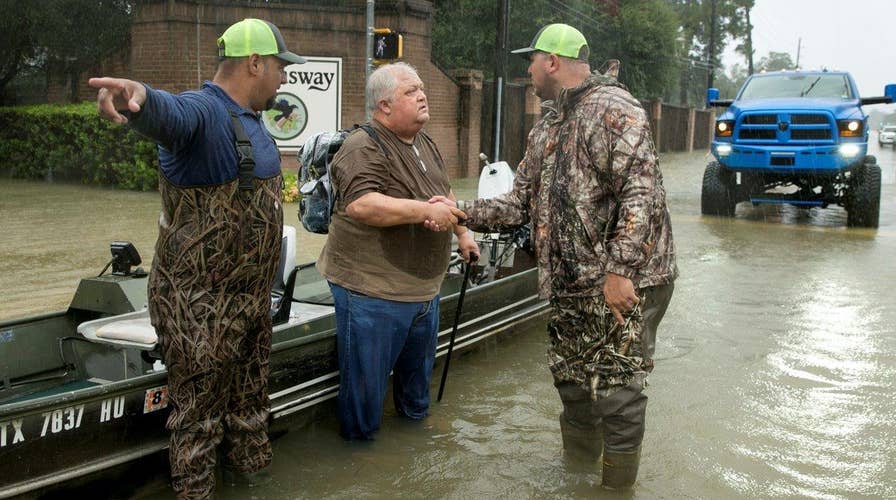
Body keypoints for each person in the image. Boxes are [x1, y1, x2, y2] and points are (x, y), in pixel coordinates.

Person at [429, 24, 677, 489]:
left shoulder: (617, 110)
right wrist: (459, 210)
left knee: (618, 391)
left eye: (532, 60)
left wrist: (620, 271)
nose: (528, 69)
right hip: (569, 286)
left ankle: (615, 491)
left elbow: (643, 193)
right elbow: (517, 203)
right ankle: (578, 478)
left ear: (553, 62)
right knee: (574, 386)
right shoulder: (547, 126)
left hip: (625, 282)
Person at [89, 18, 304, 499]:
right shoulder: (203, 114)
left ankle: (255, 489)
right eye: (280, 67)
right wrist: (135, 95)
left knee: (250, 412)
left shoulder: (252, 121)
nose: (285, 77)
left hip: (250, 304)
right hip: (197, 309)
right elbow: (167, 113)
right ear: (254, 64)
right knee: (199, 427)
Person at [317, 62, 478, 440]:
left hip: (424, 291)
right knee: (365, 397)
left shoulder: (425, 141)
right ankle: (362, 465)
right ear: (384, 106)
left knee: (416, 393)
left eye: (421, 88)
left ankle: (413, 448)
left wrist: (463, 232)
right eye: (410, 91)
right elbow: (362, 204)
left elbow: (443, 189)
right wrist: (425, 211)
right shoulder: (362, 146)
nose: (422, 95)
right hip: (373, 292)